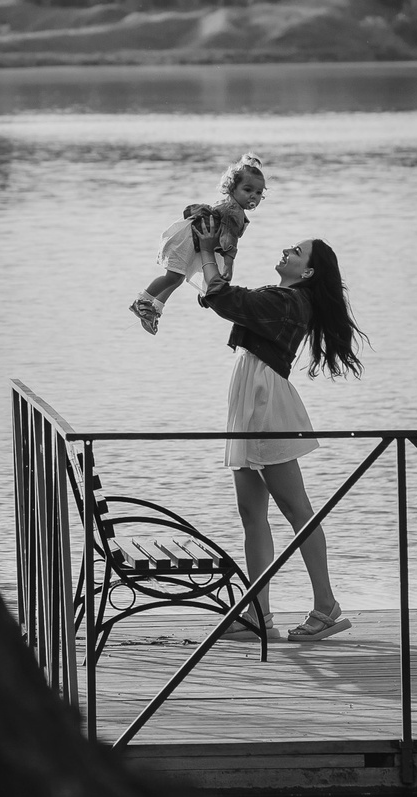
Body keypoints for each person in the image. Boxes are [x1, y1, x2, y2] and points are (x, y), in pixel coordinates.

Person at [197, 238, 366, 642]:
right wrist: (219, 258)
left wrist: (205, 253)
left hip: (265, 402)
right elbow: (222, 294)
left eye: (297, 251)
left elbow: (224, 298)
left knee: (296, 509)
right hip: (250, 397)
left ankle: (326, 606)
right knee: (251, 513)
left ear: (307, 271)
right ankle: (258, 613)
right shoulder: (281, 297)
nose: (287, 251)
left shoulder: (289, 301)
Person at [127, 154, 266, 334]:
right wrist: (229, 265)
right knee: (173, 277)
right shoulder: (233, 211)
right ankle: (142, 300)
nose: (253, 196)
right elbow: (229, 242)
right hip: (188, 239)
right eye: (247, 190)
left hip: (196, 241)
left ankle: (155, 308)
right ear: (232, 188)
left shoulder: (232, 206)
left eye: (259, 192)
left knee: (177, 278)